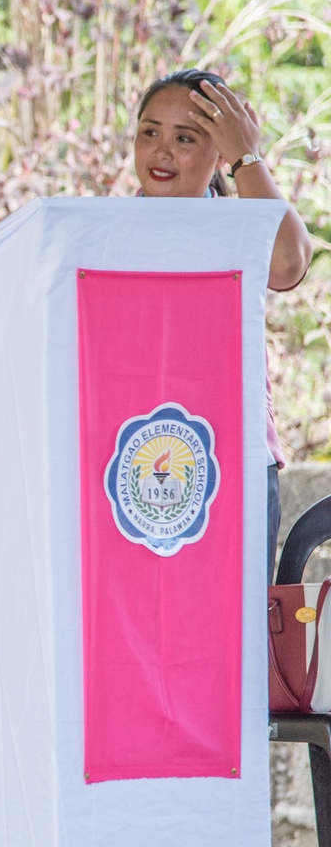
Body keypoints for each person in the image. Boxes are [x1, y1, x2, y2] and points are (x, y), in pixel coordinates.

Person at [132, 68, 312, 579]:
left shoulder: (241, 224)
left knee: (232, 641)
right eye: (150, 132)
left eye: (185, 138)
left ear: (217, 155)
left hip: (234, 466)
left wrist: (247, 155)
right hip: (131, 461)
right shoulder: (105, 234)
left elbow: (287, 263)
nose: (161, 151)